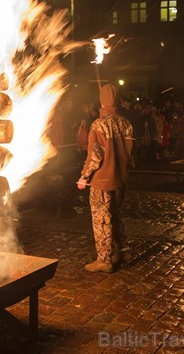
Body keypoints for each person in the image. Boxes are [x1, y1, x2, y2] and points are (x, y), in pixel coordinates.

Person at [76, 84, 134, 273]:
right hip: (120, 179)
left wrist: (84, 176)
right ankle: (124, 252)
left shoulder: (98, 125)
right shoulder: (126, 123)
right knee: (115, 216)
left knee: (102, 219)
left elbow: (95, 156)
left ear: (102, 100)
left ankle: (105, 259)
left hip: (101, 180)